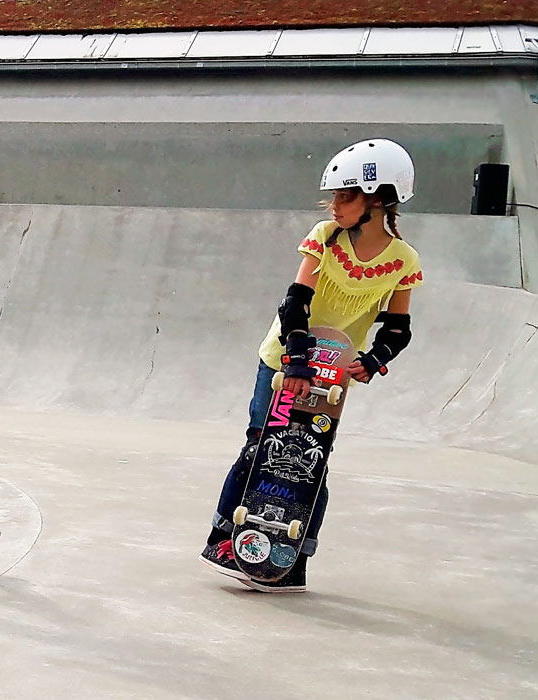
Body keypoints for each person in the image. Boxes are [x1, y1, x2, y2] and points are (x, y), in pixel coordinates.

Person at [200, 139, 424, 592]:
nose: (335, 205)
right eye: (334, 196)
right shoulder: (324, 237)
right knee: (261, 446)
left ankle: (293, 560)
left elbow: (398, 329)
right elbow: (295, 304)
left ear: (379, 198)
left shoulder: (403, 262)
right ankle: (226, 539)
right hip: (283, 360)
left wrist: (373, 361)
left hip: (332, 376)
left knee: (311, 460)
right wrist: (297, 361)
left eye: (346, 196)